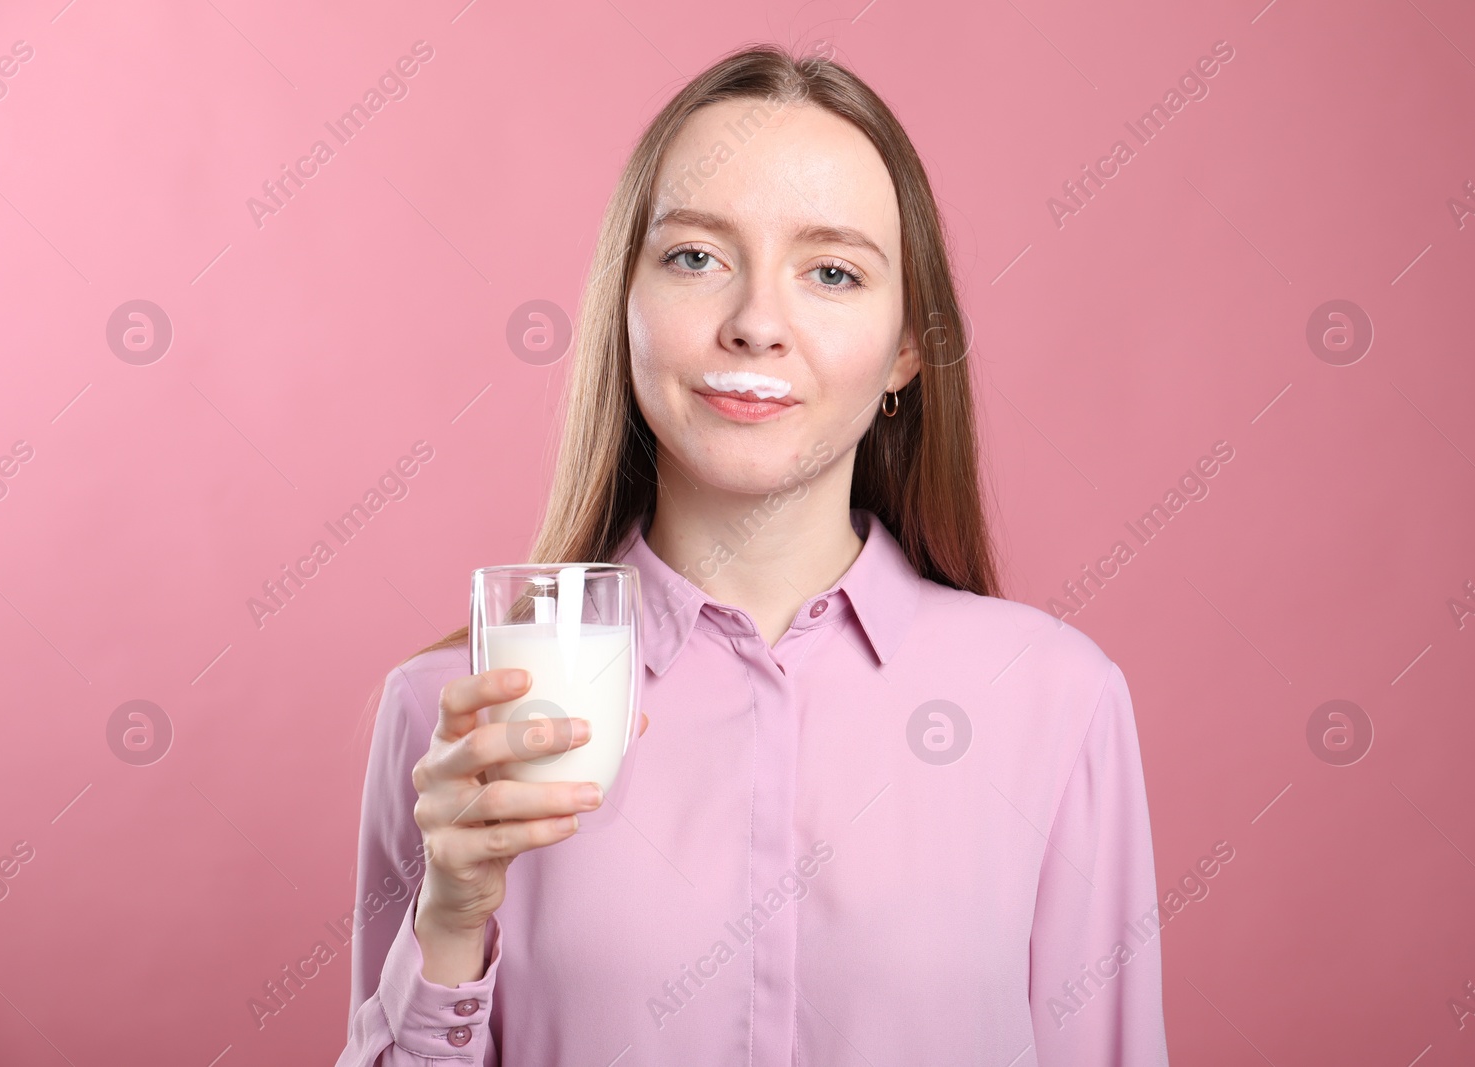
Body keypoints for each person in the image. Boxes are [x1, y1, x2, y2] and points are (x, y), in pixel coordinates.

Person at [335, 42, 1169, 1066]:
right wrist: (451, 919)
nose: (756, 323)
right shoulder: (451, 713)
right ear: (623, 305)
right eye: (695, 256)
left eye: (831, 271)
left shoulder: (1054, 697)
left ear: (907, 344)